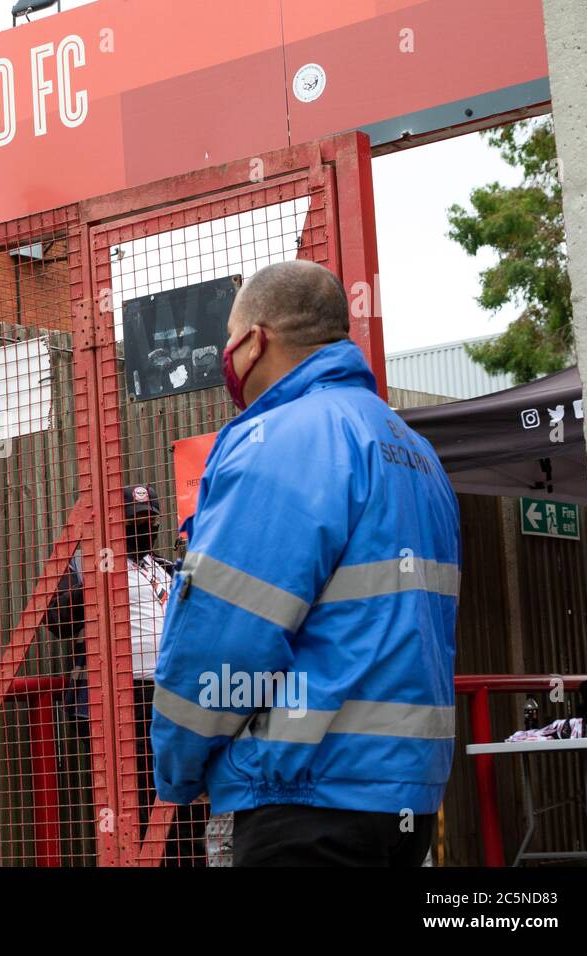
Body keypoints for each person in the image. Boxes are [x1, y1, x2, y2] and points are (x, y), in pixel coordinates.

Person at [151, 260, 461, 866]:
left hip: (305, 798)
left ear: (254, 341)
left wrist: (177, 765)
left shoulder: (283, 437)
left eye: (229, 343)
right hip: (406, 802)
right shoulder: (414, 452)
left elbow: (224, 632)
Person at [44, 483, 207, 865]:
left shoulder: (165, 566)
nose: (143, 528)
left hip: (172, 696)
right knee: (135, 795)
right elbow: (56, 622)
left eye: (149, 520)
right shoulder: (88, 564)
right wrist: (101, 581)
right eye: (135, 521)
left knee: (182, 795)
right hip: (118, 699)